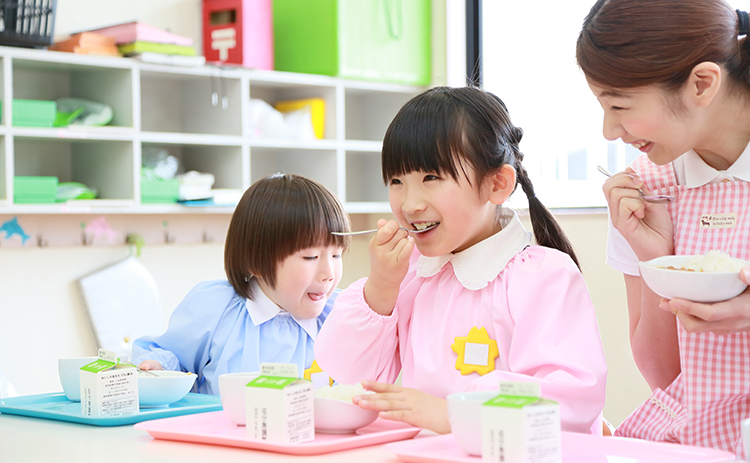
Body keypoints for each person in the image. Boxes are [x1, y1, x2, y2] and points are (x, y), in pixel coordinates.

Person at [314, 86, 607, 435]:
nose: (409, 204)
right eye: (396, 181)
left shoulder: (542, 276)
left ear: (497, 184)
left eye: (431, 178)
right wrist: (381, 286)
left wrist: (455, 413)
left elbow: (570, 400)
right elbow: (348, 377)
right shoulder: (410, 275)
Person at [576, 0, 750, 457]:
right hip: (689, 443)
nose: (610, 131)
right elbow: (665, 377)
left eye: (620, 106)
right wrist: (657, 258)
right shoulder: (645, 187)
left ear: (701, 84)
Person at [131, 173, 350, 396]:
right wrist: (159, 370)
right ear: (257, 262)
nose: (329, 274)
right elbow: (172, 359)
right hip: (220, 430)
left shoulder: (342, 313)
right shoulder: (216, 309)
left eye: (336, 255)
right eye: (311, 257)